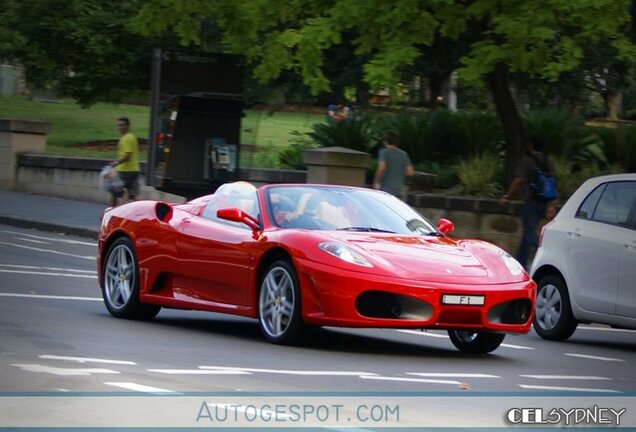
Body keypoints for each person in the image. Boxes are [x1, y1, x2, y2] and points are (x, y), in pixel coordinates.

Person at [500, 136, 555, 268]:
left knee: (529, 232)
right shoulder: (548, 161)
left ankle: (544, 248)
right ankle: (520, 262)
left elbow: (519, 180)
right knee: (526, 234)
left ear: (531, 146)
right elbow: (552, 184)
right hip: (545, 202)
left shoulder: (528, 160)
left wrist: (507, 196)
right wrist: (551, 205)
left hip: (532, 202)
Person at [373, 130, 414, 198]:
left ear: (385, 141)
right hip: (399, 190)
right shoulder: (404, 154)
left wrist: (376, 182)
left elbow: (381, 168)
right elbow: (410, 172)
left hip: (385, 189)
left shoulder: (384, 152)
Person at [110, 116, 141, 207]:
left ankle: (110, 213)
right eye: (118, 125)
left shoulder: (126, 138)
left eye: (122, 125)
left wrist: (116, 162)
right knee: (134, 195)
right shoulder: (131, 137)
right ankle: (144, 210)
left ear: (128, 126)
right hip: (134, 170)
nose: (120, 127)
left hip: (124, 171)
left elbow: (128, 155)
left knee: (114, 192)